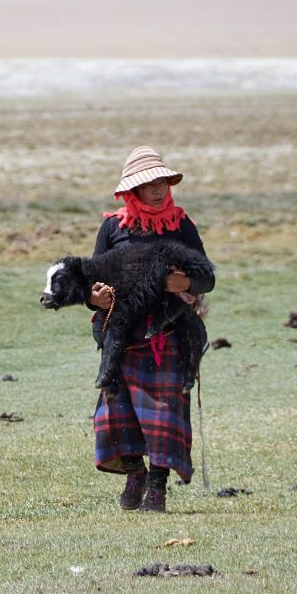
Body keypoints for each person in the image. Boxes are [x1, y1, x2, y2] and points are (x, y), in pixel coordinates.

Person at [88, 146, 215, 512]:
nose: (158, 189)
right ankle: (135, 473)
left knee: (165, 411)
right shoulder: (113, 227)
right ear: (133, 189)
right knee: (117, 412)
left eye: (162, 182)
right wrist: (94, 299)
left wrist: (185, 283)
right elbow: (94, 279)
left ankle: (157, 489)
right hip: (122, 335)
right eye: (149, 184)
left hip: (168, 332)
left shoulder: (181, 225)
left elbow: (206, 276)